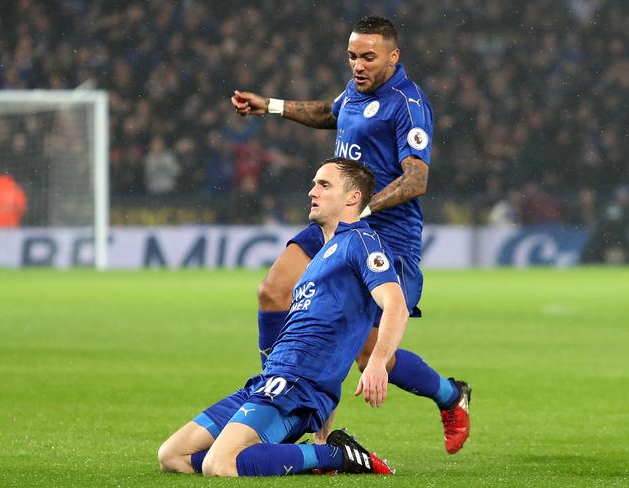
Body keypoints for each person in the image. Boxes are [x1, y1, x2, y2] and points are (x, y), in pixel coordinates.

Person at [230, 15, 471, 454]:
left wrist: (363, 207)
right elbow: (329, 112)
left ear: (394, 57)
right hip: (335, 225)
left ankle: (451, 396)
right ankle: (274, 395)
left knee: (368, 353)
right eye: (352, 56)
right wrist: (272, 106)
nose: (358, 65)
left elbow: (416, 180)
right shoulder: (355, 93)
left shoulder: (407, 104)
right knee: (272, 291)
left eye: (368, 57)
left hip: (385, 237)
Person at [158, 158, 406, 477]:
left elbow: (395, 304)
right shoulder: (322, 255)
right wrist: (324, 426)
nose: (311, 191)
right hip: (270, 381)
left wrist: (377, 362)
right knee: (173, 456)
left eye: (324, 185)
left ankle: (335, 455)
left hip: (297, 389)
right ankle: (292, 453)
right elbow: (325, 336)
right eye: (315, 183)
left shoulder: (361, 242)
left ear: (353, 197)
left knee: (219, 464)